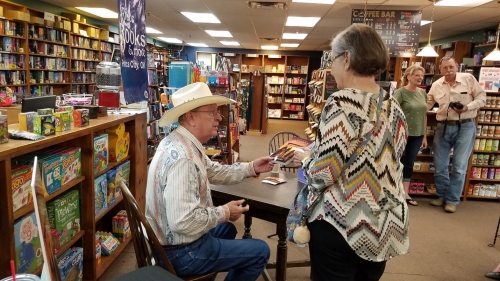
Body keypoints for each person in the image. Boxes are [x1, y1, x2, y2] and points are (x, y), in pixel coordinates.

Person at [293, 24, 409, 281]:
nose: (331, 69)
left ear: (346, 58)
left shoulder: (342, 103)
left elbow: (323, 174)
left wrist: (307, 159)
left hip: (343, 223)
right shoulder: (394, 107)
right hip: (384, 224)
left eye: (332, 59)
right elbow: (393, 161)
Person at [145, 82, 272, 281]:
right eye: (212, 112)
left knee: (228, 228)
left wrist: (251, 167)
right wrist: (225, 212)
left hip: (169, 242)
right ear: (191, 117)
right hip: (180, 252)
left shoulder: (178, 141)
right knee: (261, 251)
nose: (219, 118)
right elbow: (183, 222)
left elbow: (214, 171)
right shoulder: (184, 160)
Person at [426, 57, 486, 213]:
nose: (448, 70)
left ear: (457, 66)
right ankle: (442, 195)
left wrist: (467, 107)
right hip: (443, 127)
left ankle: (452, 200)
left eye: (451, 66)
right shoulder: (436, 85)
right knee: (440, 165)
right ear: (440, 69)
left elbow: (482, 98)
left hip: (465, 126)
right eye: (445, 68)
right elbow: (428, 103)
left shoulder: (468, 79)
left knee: (459, 167)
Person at [393, 65, 428, 206]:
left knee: (409, 163)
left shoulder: (423, 93)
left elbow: (424, 115)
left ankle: (405, 193)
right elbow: (393, 114)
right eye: (417, 75)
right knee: (395, 161)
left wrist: (424, 136)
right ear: (408, 77)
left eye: (422, 75)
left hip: (418, 133)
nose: (420, 78)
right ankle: (393, 190)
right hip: (401, 133)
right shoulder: (400, 93)